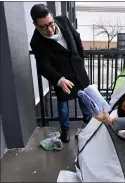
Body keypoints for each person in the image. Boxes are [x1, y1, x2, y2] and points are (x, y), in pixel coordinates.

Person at [30, 4, 92, 143]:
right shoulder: (36, 42)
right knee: (63, 105)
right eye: (43, 27)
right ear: (35, 25)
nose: (50, 29)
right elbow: (43, 66)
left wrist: (80, 56)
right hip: (62, 76)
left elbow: (76, 36)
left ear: (52, 17)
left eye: (50, 24)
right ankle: (65, 129)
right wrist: (59, 79)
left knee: (84, 97)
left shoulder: (63, 20)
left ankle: (89, 121)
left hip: (77, 69)